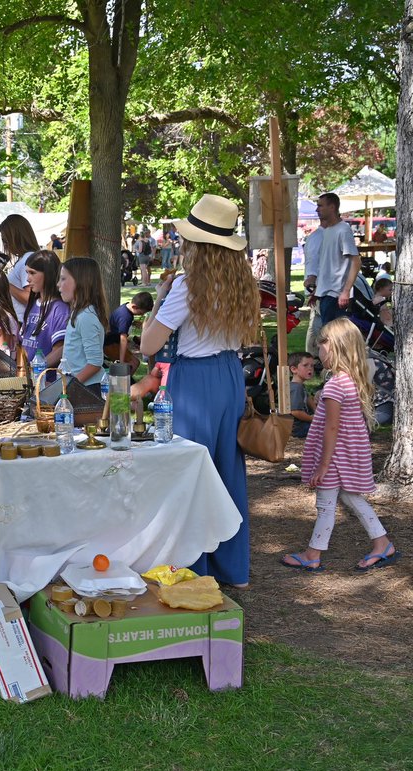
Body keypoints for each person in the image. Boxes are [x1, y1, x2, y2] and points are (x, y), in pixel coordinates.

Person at [138, 194, 258, 588]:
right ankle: (232, 568)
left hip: (195, 381)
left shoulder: (190, 285)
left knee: (189, 472)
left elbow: (148, 346)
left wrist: (157, 302)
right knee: (227, 470)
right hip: (229, 376)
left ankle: (193, 568)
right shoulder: (242, 282)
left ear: (195, 244)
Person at [281, 319, 397, 573]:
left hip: (335, 457)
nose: (318, 351)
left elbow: (331, 428)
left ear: (334, 348)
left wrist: (323, 465)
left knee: (325, 503)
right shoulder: (350, 380)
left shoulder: (336, 384)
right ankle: (382, 543)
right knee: (350, 497)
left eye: (321, 345)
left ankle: (313, 554)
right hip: (346, 453)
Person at [305, 192, 361, 326]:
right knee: (328, 339)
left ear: (332, 207)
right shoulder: (329, 230)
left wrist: (346, 291)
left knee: (334, 340)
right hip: (325, 294)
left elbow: (356, 261)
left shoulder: (343, 230)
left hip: (336, 295)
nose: (317, 209)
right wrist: (318, 290)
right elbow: (327, 265)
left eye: (320, 206)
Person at [57, 257, 108, 388]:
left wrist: (70, 387)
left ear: (80, 282)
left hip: (87, 389)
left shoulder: (86, 317)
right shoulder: (78, 313)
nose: (58, 284)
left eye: (63, 279)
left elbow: (95, 363)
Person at [19, 251, 69, 371]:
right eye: (27, 273)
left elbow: (60, 349)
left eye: (32, 273)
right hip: (28, 380)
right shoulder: (32, 305)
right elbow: (23, 344)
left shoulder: (59, 309)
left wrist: (35, 369)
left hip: (47, 382)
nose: (28, 279)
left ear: (48, 274)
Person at [0, 214, 40, 323]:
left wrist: (4, 283)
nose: (5, 245)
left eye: (5, 240)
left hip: (22, 322)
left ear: (15, 237)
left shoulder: (28, 259)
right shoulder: (24, 258)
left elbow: (29, 297)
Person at [103, 291, 154, 373]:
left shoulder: (125, 308)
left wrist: (133, 323)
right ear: (134, 306)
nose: (141, 315)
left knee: (136, 363)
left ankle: (126, 382)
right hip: (111, 345)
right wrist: (122, 361)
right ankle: (122, 382)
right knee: (133, 364)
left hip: (114, 342)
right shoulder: (125, 317)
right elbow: (123, 339)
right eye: (140, 313)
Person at [288, 351, 316, 439]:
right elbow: (295, 411)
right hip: (299, 428)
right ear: (294, 369)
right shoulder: (296, 388)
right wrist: (313, 419)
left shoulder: (299, 385)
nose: (310, 368)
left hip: (303, 424)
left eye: (312, 366)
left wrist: (317, 412)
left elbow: (307, 398)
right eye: (305, 365)